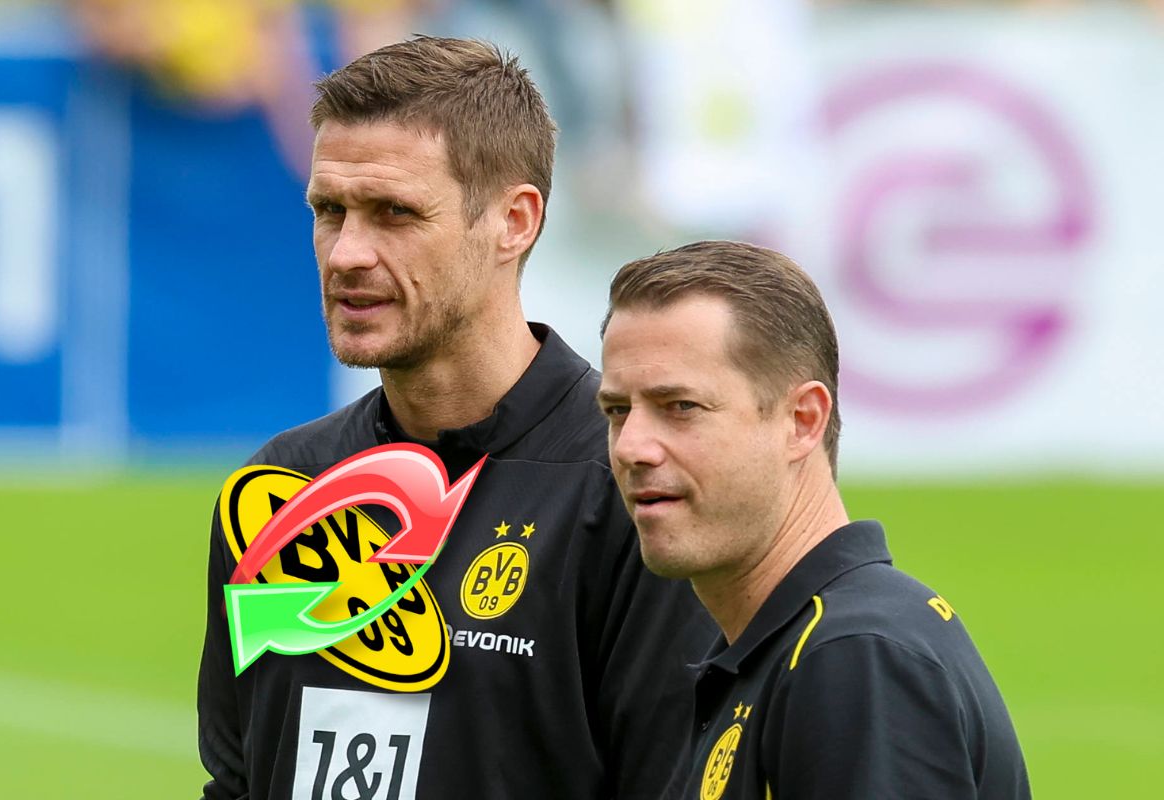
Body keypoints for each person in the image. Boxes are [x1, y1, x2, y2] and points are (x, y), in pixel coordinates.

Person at [197, 36, 713, 800]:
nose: (346, 254)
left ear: (514, 221)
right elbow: (238, 780)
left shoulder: (635, 492)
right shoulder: (278, 487)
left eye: (394, 213)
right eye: (330, 211)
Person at [597, 240, 1031, 799]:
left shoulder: (853, 657)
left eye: (681, 407)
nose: (631, 447)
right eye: (617, 411)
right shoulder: (782, 647)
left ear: (802, 421)